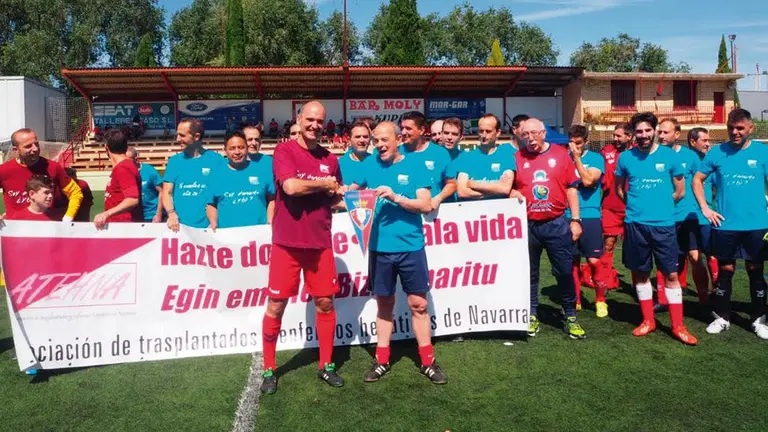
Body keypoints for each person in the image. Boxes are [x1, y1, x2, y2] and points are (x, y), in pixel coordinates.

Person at [348, 121, 446, 384]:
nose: (379, 145)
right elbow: (351, 194)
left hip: (411, 247)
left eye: (383, 140)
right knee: (385, 305)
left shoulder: (414, 165)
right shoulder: (368, 165)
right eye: (375, 141)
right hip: (379, 248)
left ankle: (428, 361)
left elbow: (425, 204)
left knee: (419, 305)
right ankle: (382, 360)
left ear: (398, 138)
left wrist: (396, 198)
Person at [260, 101, 346, 394]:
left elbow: (334, 198)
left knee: (325, 303)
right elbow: (291, 188)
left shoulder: (331, 160)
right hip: (287, 244)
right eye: (310, 119)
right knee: (276, 304)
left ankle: (326, 365)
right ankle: (270, 368)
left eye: (320, 121)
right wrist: (325, 184)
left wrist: (362, 202)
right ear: (299, 119)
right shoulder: (284, 151)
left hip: (320, 244)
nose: (314, 125)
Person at [615, 112, 697, 345]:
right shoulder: (626, 158)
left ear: (654, 130)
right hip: (635, 225)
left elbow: (680, 192)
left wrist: (660, 206)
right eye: (639, 131)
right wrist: (636, 207)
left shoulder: (669, 157)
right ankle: (648, 320)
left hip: (663, 226)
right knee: (640, 274)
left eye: (647, 130)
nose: (643, 135)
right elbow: (620, 190)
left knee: (671, 275)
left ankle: (678, 326)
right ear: (633, 134)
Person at [693, 108, 768, 338]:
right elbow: (697, 179)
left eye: (739, 128)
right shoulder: (717, 152)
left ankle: (759, 320)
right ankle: (721, 318)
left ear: (750, 128)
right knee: (725, 270)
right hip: (725, 225)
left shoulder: (763, 152)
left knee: (755, 270)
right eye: (730, 128)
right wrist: (705, 208)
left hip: (756, 224)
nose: (734, 132)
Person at [512, 118, 586, 339]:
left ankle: (570, 315)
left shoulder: (561, 155)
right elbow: (508, 186)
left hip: (556, 223)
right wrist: (511, 192)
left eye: (534, 133)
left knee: (564, 271)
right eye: (525, 134)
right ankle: (532, 313)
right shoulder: (516, 158)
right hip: (528, 225)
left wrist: (575, 220)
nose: (530, 138)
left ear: (544, 133)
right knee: (530, 274)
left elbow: (572, 189)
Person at [659, 119, 710, 307]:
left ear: (677, 135)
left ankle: (704, 300)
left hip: (688, 215)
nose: (662, 136)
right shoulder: (653, 155)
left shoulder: (690, 157)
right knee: (665, 258)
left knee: (695, 257)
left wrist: (704, 207)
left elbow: (700, 183)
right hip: (664, 217)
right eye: (660, 132)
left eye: (666, 132)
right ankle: (664, 300)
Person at [566, 125, 608, 317]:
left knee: (593, 261)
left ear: (586, 142)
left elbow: (588, 181)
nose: (575, 147)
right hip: (566, 215)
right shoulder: (562, 159)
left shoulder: (595, 158)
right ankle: (576, 299)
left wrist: (575, 159)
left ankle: (600, 299)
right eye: (572, 143)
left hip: (590, 215)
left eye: (579, 143)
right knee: (572, 261)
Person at [0, 128, 83, 221]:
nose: (35, 149)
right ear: (16, 150)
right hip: (16, 230)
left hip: (47, 230)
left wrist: (68, 217)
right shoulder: (4, 170)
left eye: (36, 144)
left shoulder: (53, 167)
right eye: (28, 146)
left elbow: (75, 193)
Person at [162, 119, 225, 231]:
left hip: (211, 228)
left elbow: (224, 192)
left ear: (196, 136)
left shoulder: (217, 160)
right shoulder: (174, 162)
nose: (177, 139)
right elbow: (167, 192)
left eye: (182, 135)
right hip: (181, 229)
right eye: (177, 135)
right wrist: (171, 213)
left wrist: (216, 220)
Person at [206, 130, 275, 229]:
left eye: (241, 147)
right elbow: (211, 204)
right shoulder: (215, 175)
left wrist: (270, 221)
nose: (237, 152)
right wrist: (213, 222)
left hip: (258, 236)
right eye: (232, 148)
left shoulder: (262, 171)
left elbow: (272, 200)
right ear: (225, 150)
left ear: (247, 149)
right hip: (227, 237)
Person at [598, 123, 633, 290]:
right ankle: (604, 280)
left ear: (629, 136)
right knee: (608, 244)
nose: (615, 139)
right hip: (610, 207)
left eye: (619, 136)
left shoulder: (638, 153)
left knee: (634, 247)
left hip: (632, 209)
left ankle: (637, 283)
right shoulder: (606, 152)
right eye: (614, 135)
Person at [399, 111, 456, 212]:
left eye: (408, 128)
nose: (403, 132)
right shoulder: (397, 152)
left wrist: (438, 199)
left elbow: (451, 184)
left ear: (421, 130)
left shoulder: (440, 153)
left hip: (434, 215)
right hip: (405, 214)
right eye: (402, 128)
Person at [687, 127, 719, 292]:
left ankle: (717, 291)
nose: (708, 144)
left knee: (712, 255)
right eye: (704, 140)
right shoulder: (683, 160)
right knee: (694, 257)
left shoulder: (711, 162)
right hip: (688, 217)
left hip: (707, 217)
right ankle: (703, 298)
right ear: (693, 142)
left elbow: (717, 189)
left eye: (708, 140)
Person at [454, 115, 516, 201]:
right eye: (481, 131)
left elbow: (504, 189)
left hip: (499, 212)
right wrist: (496, 188)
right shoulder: (466, 157)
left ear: (498, 133)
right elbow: (462, 192)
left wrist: (472, 184)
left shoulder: (507, 156)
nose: (484, 135)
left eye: (488, 131)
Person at [94, 129, 142, 229]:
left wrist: (106, 214)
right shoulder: (123, 166)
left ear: (106, 148)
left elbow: (132, 199)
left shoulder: (123, 168)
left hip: (124, 228)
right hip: (120, 227)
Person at [127, 147, 164, 223]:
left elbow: (162, 191)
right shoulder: (124, 172)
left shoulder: (149, 171)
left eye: (128, 160)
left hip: (152, 215)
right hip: (135, 216)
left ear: (136, 159)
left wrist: (158, 214)